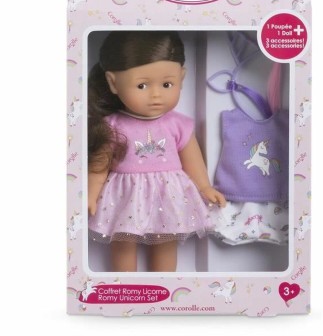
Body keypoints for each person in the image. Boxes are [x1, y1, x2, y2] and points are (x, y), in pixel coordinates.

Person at [88, 31, 225, 272]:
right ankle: (126, 286)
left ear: (182, 78)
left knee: (166, 242)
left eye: (167, 84)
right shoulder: (112, 126)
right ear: (113, 83)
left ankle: (164, 285)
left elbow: (192, 160)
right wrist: (90, 194)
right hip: (125, 196)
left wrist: (204, 187)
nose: (156, 95)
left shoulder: (178, 124)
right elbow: (99, 166)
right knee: (123, 242)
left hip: (168, 195)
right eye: (142, 85)